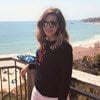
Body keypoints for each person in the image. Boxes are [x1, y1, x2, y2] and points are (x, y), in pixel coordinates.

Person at [20, 8, 73, 100]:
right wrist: (29, 66)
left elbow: (65, 79)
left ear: (59, 25)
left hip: (53, 97)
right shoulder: (44, 43)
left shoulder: (64, 48)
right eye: (45, 22)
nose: (48, 26)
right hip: (36, 92)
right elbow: (40, 62)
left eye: (52, 23)